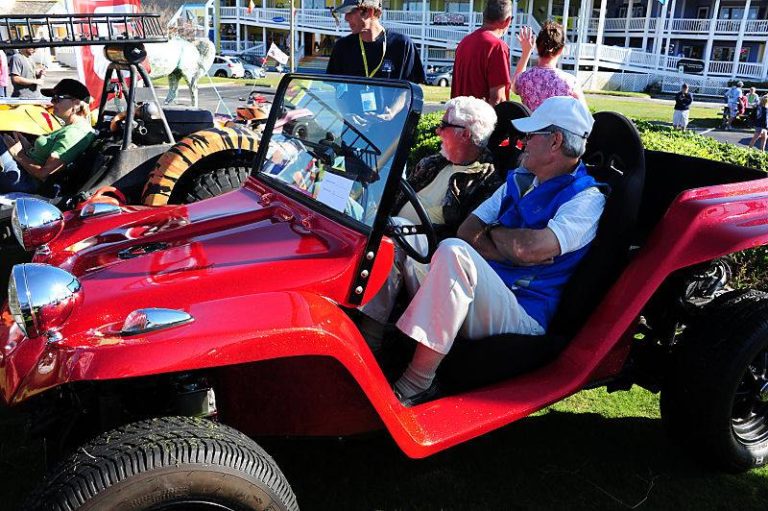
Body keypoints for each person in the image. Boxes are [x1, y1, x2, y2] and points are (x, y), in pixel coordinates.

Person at [391, 96, 606, 404]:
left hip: (523, 311)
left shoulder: (587, 199)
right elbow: (469, 230)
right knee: (399, 232)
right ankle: (372, 345)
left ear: (556, 141)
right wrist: (511, 246)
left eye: (531, 136)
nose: (523, 143)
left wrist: (494, 235)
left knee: (452, 252)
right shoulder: (518, 179)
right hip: (484, 291)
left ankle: (417, 383)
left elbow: (530, 249)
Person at [361, 96, 500, 327]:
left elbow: (463, 240)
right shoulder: (432, 163)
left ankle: (370, 335)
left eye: (444, 126)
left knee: (390, 243)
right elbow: (394, 198)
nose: (437, 131)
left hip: (433, 263)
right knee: (353, 212)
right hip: (398, 239)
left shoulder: (486, 181)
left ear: (466, 134)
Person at [0, 78, 95, 193]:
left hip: (27, 181)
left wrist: (18, 154)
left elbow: (44, 174)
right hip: (25, 171)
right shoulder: (70, 127)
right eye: (52, 99)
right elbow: (43, 155)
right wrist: (25, 144)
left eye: (57, 99)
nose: (52, 102)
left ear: (76, 102)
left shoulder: (75, 133)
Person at [326, 0, 425, 84]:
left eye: (350, 12)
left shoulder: (403, 45)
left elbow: (412, 88)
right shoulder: (342, 47)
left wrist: (394, 107)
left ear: (370, 12)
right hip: (353, 107)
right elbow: (336, 88)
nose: (346, 18)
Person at [512, 22, 586, 111]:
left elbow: (514, 85)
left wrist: (526, 53)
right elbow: (585, 115)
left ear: (537, 46)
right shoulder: (570, 82)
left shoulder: (524, 79)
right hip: (558, 125)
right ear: (561, 49)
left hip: (531, 124)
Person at [450, 0, 512, 106]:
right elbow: (498, 99)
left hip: (457, 116)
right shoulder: (497, 46)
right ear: (508, 20)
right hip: (480, 119)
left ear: (484, 16)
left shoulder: (464, 42)